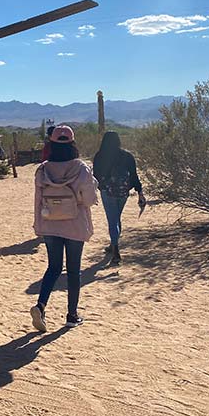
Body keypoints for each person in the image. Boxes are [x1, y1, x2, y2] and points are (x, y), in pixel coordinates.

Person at [31, 125, 98, 332]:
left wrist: (38, 224)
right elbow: (89, 199)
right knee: (73, 270)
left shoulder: (43, 169)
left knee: (53, 267)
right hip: (75, 224)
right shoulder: (81, 168)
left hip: (50, 223)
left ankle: (41, 305)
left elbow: (38, 200)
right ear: (72, 143)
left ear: (51, 144)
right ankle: (72, 314)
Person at [92, 132, 145, 265]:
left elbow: (95, 175)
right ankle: (113, 244)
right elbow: (134, 175)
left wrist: (101, 187)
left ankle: (115, 250)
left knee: (112, 219)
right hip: (123, 192)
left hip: (107, 191)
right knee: (116, 217)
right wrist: (139, 191)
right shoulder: (127, 156)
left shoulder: (100, 156)